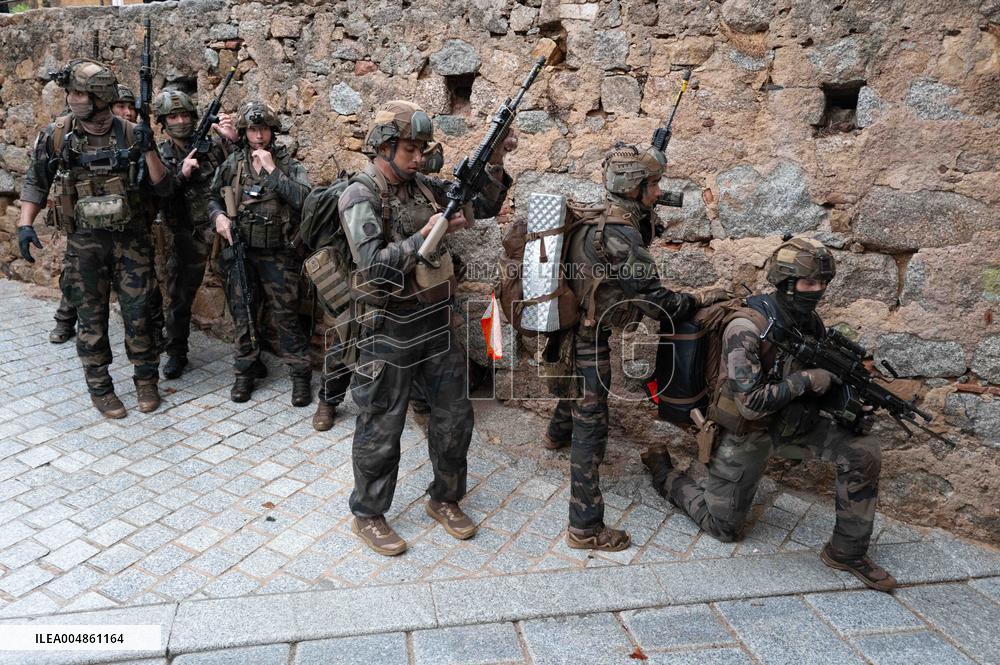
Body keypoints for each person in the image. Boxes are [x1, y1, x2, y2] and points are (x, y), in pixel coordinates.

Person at [641, 237, 897, 592]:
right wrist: (808, 380)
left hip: (792, 425)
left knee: (863, 450)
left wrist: (851, 402)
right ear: (786, 283)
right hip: (746, 432)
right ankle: (665, 473)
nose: (818, 290)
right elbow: (750, 402)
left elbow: (823, 384)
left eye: (823, 283)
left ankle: (847, 552)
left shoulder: (809, 322)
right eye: (809, 283)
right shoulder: (746, 328)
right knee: (722, 526)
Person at [342, 101, 515, 556]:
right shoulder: (360, 196)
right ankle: (369, 513)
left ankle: (445, 498)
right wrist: (426, 237)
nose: (419, 158)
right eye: (410, 149)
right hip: (390, 327)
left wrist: (494, 160)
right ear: (383, 146)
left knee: (455, 417)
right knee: (382, 422)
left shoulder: (423, 189)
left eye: (422, 149)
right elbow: (375, 267)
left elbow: (483, 204)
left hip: (437, 322)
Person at [542, 143, 719, 552]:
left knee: (576, 394)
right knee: (593, 425)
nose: (659, 192)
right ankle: (585, 527)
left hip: (567, 329)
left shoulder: (600, 215)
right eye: (654, 184)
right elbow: (656, 303)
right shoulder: (620, 235)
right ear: (635, 187)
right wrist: (698, 299)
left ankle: (554, 435)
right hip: (587, 339)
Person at [17, 59, 172, 418]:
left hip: (131, 241)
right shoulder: (58, 134)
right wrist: (26, 224)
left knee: (141, 316)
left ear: (100, 97)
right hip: (85, 244)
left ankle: (146, 382)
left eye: (80, 93)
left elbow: (164, 188)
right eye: (71, 92)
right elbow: (36, 180)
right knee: (91, 318)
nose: (73, 99)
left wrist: (148, 149)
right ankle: (100, 388)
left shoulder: (132, 133)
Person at [207, 101, 313, 406]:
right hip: (243, 252)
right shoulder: (233, 164)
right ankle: (245, 372)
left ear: (272, 132)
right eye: (253, 129)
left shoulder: (287, 164)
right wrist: (219, 218)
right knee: (244, 315)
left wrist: (272, 171)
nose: (258, 136)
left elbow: (304, 201)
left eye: (263, 129)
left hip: (278, 254)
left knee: (287, 316)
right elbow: (212, 197)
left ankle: (300, 376)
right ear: (244, 132)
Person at [153, 88, 236, 379]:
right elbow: (159, 195)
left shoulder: (213, 146)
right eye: (173, 116)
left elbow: (238, 171)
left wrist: (231, 139)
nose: (180, 121)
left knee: (240, 292)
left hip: (220, 229)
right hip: (186, 235)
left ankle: (248, 354)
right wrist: (181, 174)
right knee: (179, 299)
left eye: (185, 114)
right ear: (163, 121)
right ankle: (176, 353)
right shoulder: (161, 154)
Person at [49, 82, 141, 344]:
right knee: (75, 276)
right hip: (85, 221)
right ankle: (65, 318)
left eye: (131, 107)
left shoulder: (135, 135)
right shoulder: (71, 134)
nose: (127, 112)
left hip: (124, 223)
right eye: (120, 106)